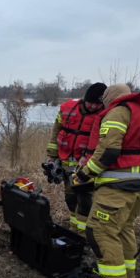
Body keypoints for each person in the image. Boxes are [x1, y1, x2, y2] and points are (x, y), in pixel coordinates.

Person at [72, 84, 140, 278]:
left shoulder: (118, 112)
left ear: (110, 97)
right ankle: (126, 276)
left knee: (99, 230)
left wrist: (84, 173)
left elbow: (108, 151)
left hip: (117, 184)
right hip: (139, 182)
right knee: (123, 229)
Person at [45, 82, 107, 232]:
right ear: (85, 98)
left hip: (86, 165)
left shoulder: (106, 115)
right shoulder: (67, 108)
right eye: (90, 102)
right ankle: (74, 228)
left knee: (85, 199)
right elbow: (55, 132)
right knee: (70, 198)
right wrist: (52, 157)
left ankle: (83, 234)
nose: (93, 107)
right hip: (66, 161)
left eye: (97, 104)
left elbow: (103, 142)